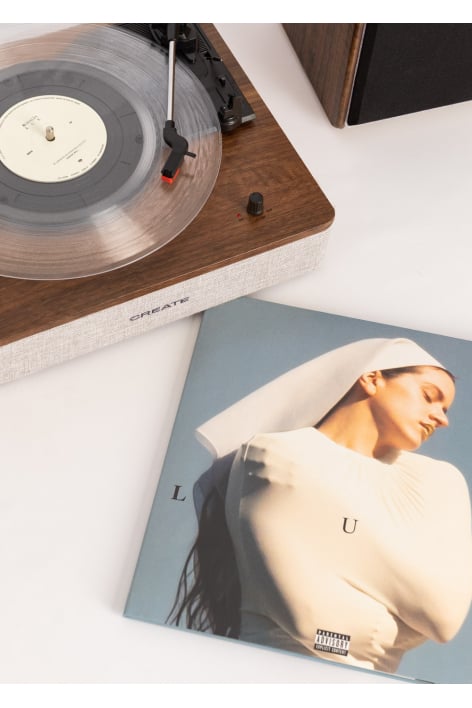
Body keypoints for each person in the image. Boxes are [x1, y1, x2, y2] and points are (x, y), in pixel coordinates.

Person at [170, 337, 472, 675]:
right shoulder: (278, 455)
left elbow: (444, 615)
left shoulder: (436, 479)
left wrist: (335, 547)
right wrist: (395, 628)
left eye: (446, 409)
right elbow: (311, 622)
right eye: (429, 396)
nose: (441, 419)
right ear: (372, 379)